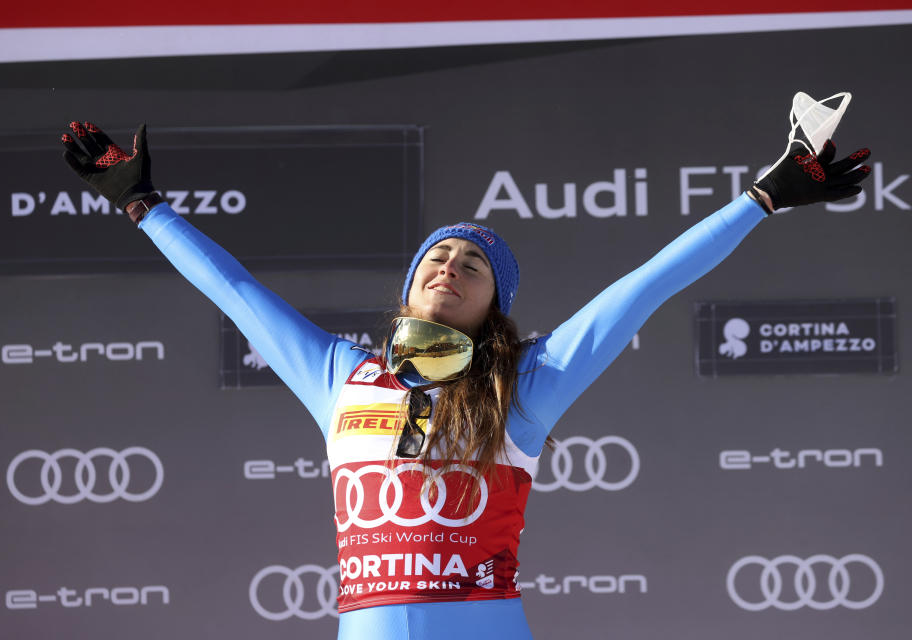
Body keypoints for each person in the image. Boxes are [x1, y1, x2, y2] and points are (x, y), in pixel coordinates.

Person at [60, 119, 870, 639]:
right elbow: (237, 295)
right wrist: (145, 207)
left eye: (473, 264)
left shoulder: (528, 382)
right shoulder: (341, 374)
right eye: (436, 258)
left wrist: (762, 200)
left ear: (494, 305)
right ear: (410, 288)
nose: (451, 267)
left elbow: (646, 285)